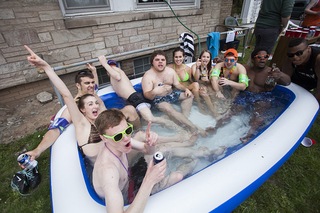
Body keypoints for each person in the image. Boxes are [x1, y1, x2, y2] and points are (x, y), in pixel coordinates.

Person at [93, 109, 202, 211]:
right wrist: (149, 180)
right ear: (104, 138)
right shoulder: (108, 171)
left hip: (130, 178)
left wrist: (151, 144)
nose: (126, 137)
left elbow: (148, 150)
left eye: (128, 130)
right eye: (118, 137)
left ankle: (200, 153)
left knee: (163, 149)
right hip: (129, 197)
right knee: (177, 177)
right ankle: (196, 161)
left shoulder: (118, 141)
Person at [207, 47, 291, 143]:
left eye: (265, 56)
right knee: (232, 111)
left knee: (258, 114)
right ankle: (216, 127)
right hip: (246, 95)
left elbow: (288, 82)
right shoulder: (246, 68)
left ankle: (249, 135)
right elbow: (230, 64)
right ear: (253, 59)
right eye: (259, 56)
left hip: (263, 96)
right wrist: (220, 61)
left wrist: (280, 75)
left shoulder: (271, 73)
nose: (262, 58)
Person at [97, 55, 186, 133]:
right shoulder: (113, 75)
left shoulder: (115, 70)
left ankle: (179, 130)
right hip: (134, 99)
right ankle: (166, 117)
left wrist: (104, 64)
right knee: (145, 120)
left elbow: (117, 76)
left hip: (136, 98)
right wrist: (93, 70)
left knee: (151, 119)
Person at [141, 50, 207, 137]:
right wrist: (154, 91)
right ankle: (193, 127)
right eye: (157, 59)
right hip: (158, 99)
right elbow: (147, 95)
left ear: (166, 61)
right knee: (168, 109)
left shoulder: (170, 71)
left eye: (163, 60)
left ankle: (184, 118)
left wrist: (186, 89)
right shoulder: (148, 76)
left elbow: (177, 84)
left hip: (171, 94)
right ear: (152, 62)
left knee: (189, 96)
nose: (160, 61)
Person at [167, 48, 206, 114]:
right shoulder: (169, 68)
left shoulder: (187, 68)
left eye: (180, 57)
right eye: (176, 57)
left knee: (199, 87)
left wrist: (200, 86)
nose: (178, 59)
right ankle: (198, 103)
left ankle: (198, 103)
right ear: (173, 58)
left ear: (183, 57)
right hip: (176, 90)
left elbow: (191, 80)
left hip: (187, 89)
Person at [282, 37, 320, 104]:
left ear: (308, 49)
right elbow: (284, 80)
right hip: (301, 76)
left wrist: (311, 104)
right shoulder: (290, 58)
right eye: (291, 55)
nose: (295, 57)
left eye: (299, 53)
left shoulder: (317, 59)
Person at [190, 50, 217, 116]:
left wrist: (207, 80)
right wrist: (197, 67)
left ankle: (215, 108)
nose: (205, 59)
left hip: (205, 85)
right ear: (200, 58)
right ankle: (213, 112)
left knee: (213, 93)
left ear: (210, 59)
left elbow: (210, 82)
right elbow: (196, 79)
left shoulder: (211, 68)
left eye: (208, 57)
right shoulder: (194, 66)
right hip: (196, 86)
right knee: (204, 93)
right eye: (203, 57)